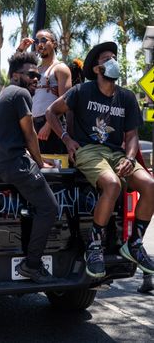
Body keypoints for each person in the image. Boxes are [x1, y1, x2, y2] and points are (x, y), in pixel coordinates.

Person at [46, 41, 154, 278]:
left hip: (116, 153)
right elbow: (51, 112)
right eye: (107, 59)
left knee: (149, 185)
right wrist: (66, 139)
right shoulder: (82, 91)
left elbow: (132, 135)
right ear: (97, 69)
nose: (113, 61)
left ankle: (134, 244)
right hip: (88, 151)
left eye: (114, 57)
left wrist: (129, 157)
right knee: (112, 184)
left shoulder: (126, 97)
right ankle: (94, 246)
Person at [0, 51, 58, 284]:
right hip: (12, 163)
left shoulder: (7, 93)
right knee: (50, 208)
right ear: (15, 76)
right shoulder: (21, 93)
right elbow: (30, 133)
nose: (36, 79)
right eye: (31, 74)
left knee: (33, 205)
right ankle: (31, 265)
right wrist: (40, 161)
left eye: (38, 76)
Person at [16, 29, 72, 153]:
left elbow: (65, 102)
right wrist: (20, 50)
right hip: (33, 126)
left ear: (54, 44)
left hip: (52, 126)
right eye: (36, 41)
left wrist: (49, 125)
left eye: (44, 40)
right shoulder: (35, 69)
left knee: (53, 169)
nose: (39, 44)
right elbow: (15, 75)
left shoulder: (61, 68)